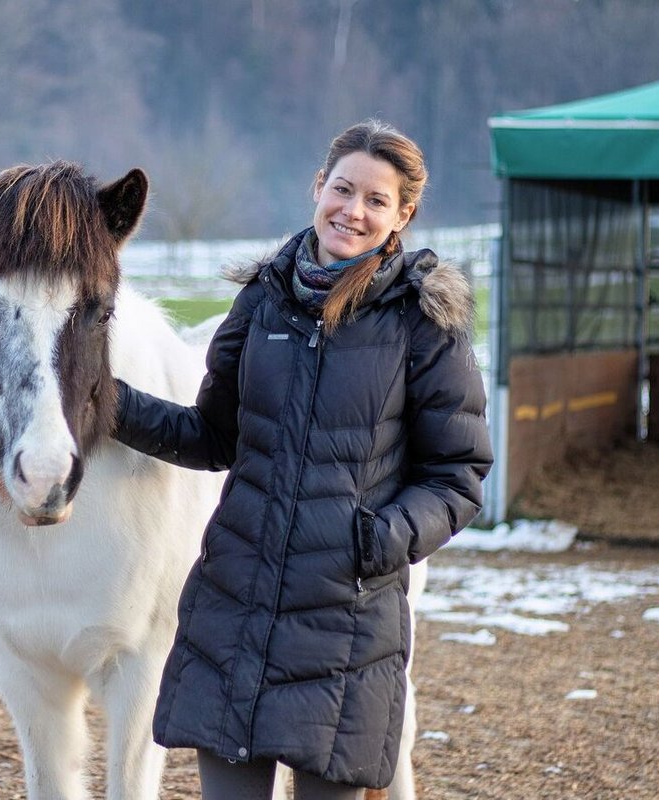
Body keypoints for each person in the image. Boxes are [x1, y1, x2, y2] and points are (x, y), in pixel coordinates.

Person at [111, 120, 493, 800]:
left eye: (377, 200)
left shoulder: (421, 321)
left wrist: (378, 541)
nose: (354, 209)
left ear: (403, 214)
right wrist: (106, 403)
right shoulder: (263, 299)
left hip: (342, 626)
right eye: (343, 189)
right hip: (236, 608)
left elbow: (458, 475)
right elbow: (213, 434)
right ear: (318, 187)